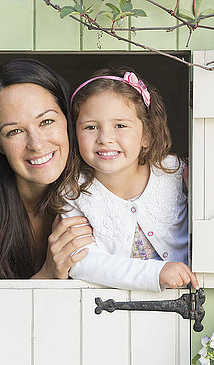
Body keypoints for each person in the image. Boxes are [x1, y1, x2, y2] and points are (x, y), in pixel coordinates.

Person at [0, 59, 93, 280]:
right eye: (14, 131)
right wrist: (47, 275)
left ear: (68, 120)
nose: (36, 144)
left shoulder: (99, 187)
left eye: (46, 121)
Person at [63, 68, 199, 292]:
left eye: (120, 125)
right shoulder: (74, 192)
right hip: (115, 313)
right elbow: (81, 262)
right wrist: (156, 273)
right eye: (91, 127)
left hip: (187, 302)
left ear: (147, 135)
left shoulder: (174, 173)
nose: (105, 138)